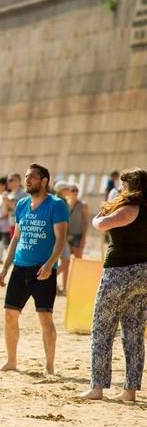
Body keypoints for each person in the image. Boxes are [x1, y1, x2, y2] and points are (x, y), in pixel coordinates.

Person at [78, 168, 147, 402]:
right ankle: (130, 391)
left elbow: (100, 225)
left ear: (131, 186)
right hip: (144, 275)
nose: (121, 188)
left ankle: (97, 387)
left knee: (103, 328)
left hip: (120, 272)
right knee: (134, 333)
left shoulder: (128, 208)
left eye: (123, 185)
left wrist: (101, 213)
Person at [0, 163, 68, 375]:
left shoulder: (56, 205)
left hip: (43, 269)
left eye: (32, 178)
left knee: (45, 317)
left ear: (43, 181)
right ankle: (11, 361)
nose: (27, 181)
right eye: (26, 177)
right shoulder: (21, 205)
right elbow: (15, 238)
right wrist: (4, 268)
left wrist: (49, 265)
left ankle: (50, 365)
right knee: (10, 314)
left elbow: (61, 239)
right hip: (20, 266)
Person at [53, 181, 73, 294]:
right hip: (59, 236)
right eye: (67, 189)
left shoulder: (63, 201)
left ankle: (54, 284)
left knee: (63, 261)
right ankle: (49, 278)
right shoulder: (59, 201)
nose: (69, 191)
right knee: (65, 261)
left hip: (63, 236)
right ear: (61, 190)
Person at [67, 184, 89, 259]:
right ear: (68, 192)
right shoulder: (65, 204)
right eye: (73, 190)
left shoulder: (83, 205)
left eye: (77, 190)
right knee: (66, 260)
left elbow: (86, 222)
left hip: (78, 236)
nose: (75, 192)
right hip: (67, 236)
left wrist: (84, 238)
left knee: (78, 261)